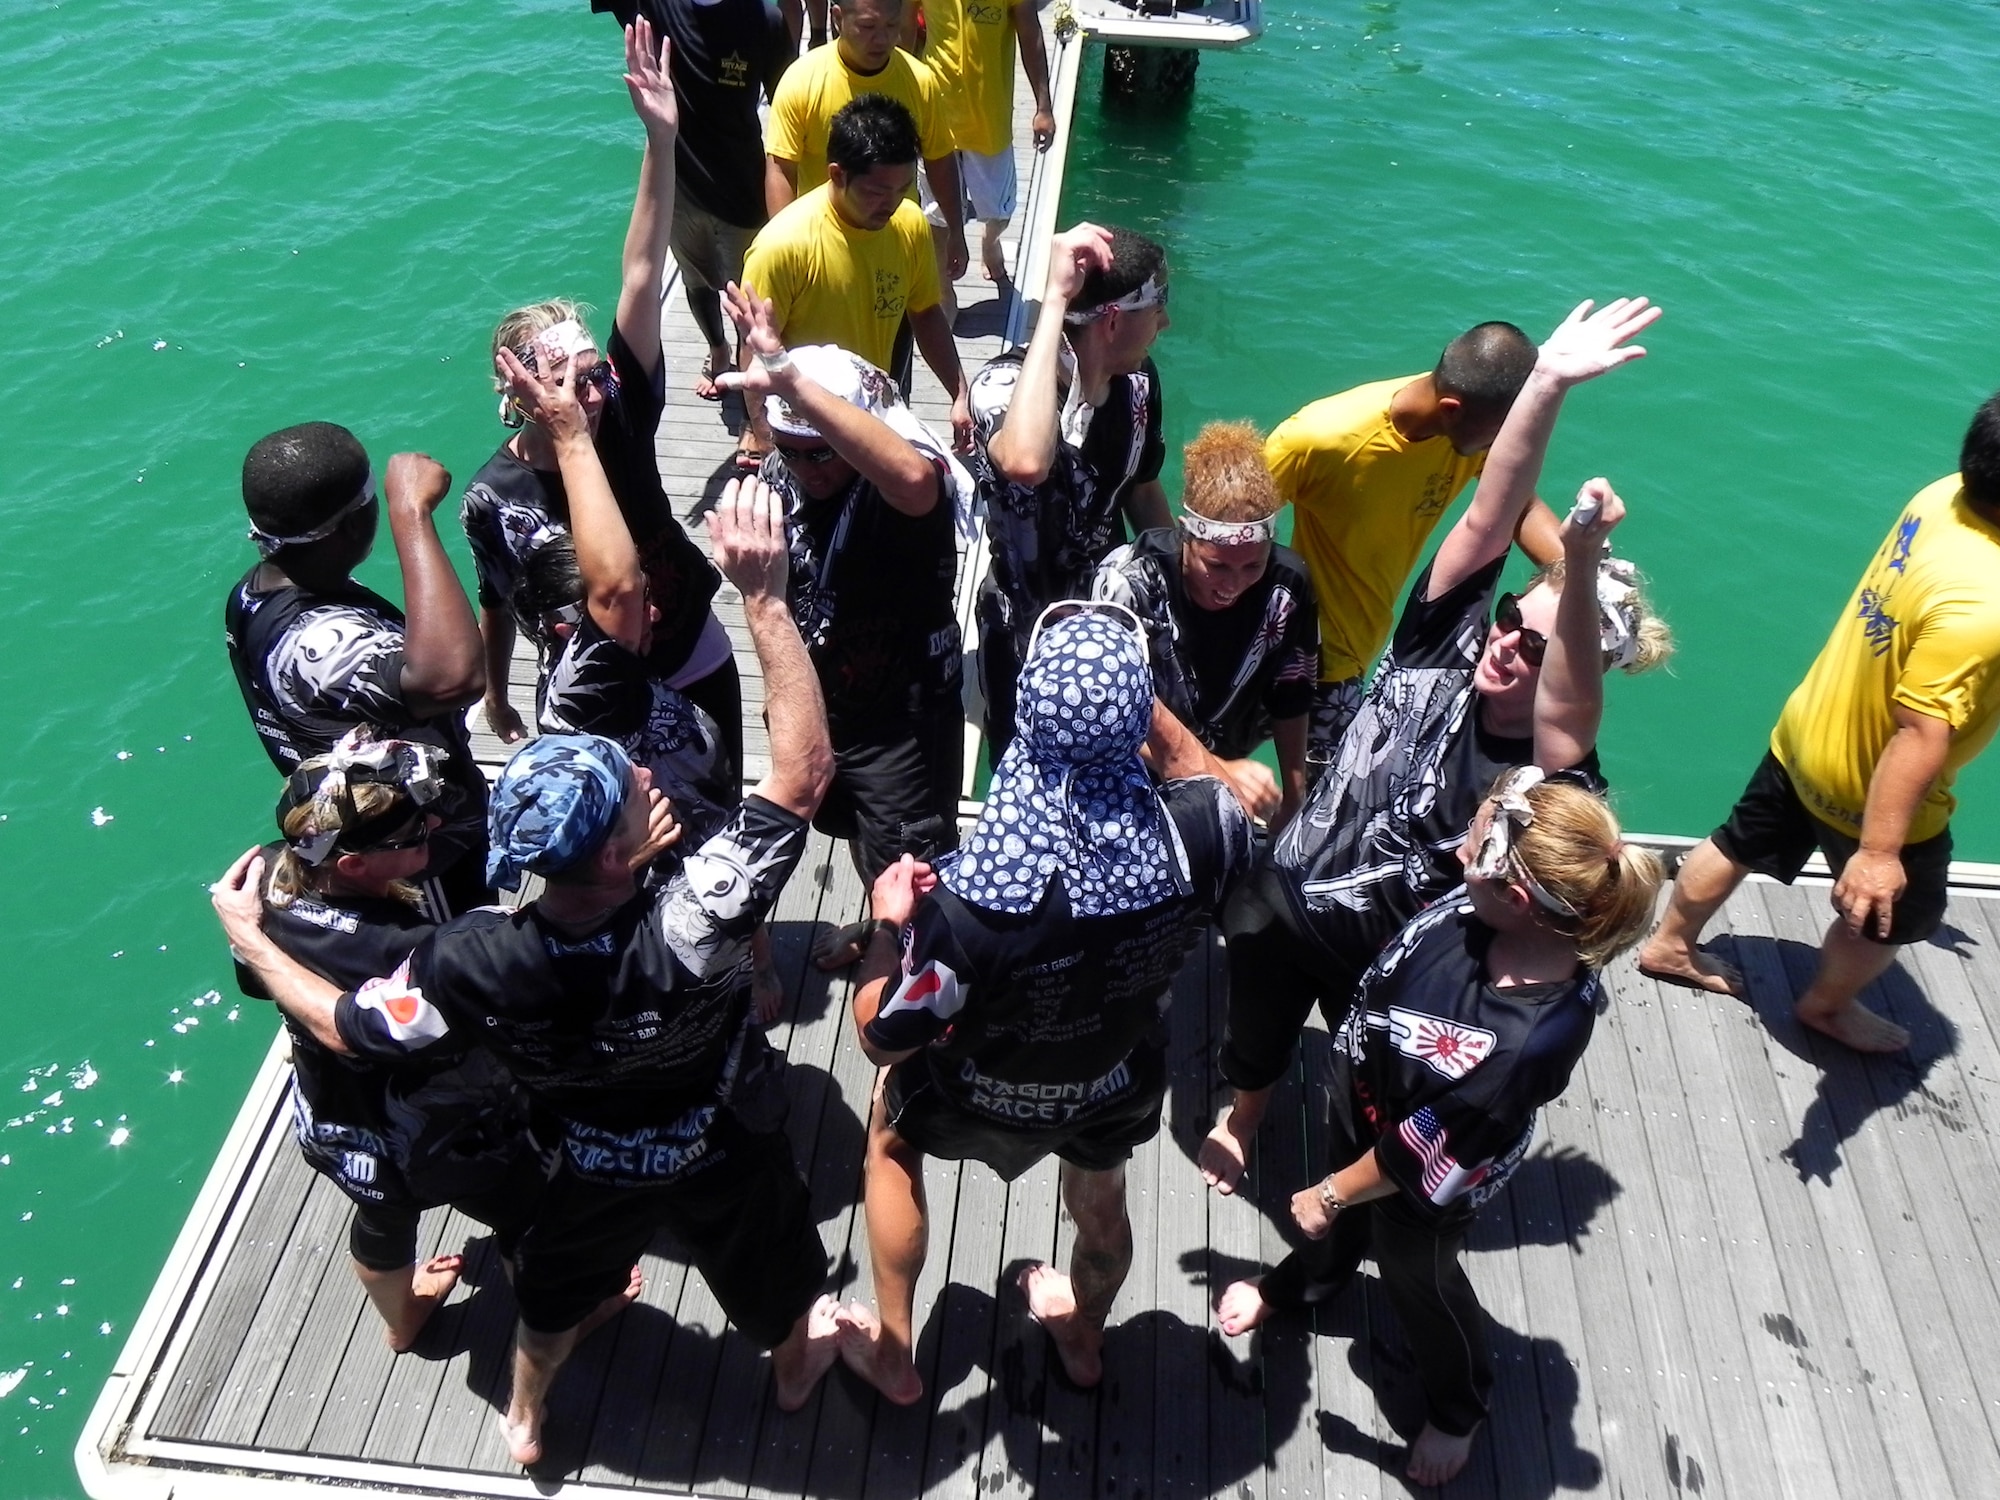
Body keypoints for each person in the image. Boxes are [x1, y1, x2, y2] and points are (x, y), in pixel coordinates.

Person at [212, 480, 844, 1466]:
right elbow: (800, 776)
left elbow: (352, 1025)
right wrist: (763, 597)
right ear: (618, 852)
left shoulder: (471, 956)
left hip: (583, 1161)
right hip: (711, 1137)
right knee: (773, 1276)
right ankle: (797, 1369)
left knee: (552, 1297)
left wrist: (256, 942)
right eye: (627, 787)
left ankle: (524, 1415)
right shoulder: (699, 918)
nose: (642, 774)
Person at [1198, 297, 1673, 1195]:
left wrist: (1580, 563)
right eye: (1509, 619)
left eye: (1536, 647)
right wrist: (1546, 384)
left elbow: (1572, 695)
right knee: (1254, 1032)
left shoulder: (1547, 780)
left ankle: (1340, 1189)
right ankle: (1247, 1112)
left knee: (1360, 1077)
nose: (1506, 642)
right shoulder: (1439, 646)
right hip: (1287, 890)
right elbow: (1490, 515)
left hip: (1384, 952)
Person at [836, 607, 1254, 1401]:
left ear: (1026, 712)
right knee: (1102, 1199)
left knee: (889, 1143)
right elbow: (1208, 785)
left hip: (979, 1086)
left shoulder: (968, 906)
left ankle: (894, 1355)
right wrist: (1130, 702)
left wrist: (888, 929)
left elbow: (882, 1038)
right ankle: (1085, 1340)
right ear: (1140, 715)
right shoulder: (1206, 834)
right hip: (1111, 1079)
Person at [1214, 772, 1664, 1487]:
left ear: (1517, 900)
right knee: (1336, 1235)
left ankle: (1459, 1406)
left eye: (1474, 853)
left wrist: (1331, 1194)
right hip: (1365, 1101)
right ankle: (1306, 1285)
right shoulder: (1488, 904)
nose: (1459, 857)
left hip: (1423, 1181)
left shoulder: (1522, 1045)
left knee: (1418, 1278)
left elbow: (1417, 1155)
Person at [1638, 394, 2000, 1053]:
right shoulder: (1986, 605)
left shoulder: (1943, 495)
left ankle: (1670, 944)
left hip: (1807, 729)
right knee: (1892, 919)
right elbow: (1919, 731)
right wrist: (1879, 854)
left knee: (1736, 841)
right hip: (1873, 788)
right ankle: (1828, 1008)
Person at [461, 20, 736, 771]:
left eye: (593, 370)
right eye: (567, 380)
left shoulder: (621, 406)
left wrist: (660, 139)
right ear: (517, 391)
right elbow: (497, 597)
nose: (591, 389)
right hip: (594, 697)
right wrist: (495, 693)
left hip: (692, 649)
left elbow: (642, 271)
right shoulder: (494, 496)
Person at [233, 728, 545, 1352]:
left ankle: (403, 1321)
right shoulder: (411, 948)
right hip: (447, 1135)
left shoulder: (260, 881)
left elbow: (258, 983)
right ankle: (561, 1317)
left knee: (381, 1216)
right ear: (353, 864)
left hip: (338, 1122)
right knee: (530, 1216)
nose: (433, 825)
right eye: (413, 835)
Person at [716, 283, 971, 969]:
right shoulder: (783, 473)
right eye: (792, 450)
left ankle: (910, 1005)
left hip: (901, 728)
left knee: (914, 867)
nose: (807, 468)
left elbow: (914, 480)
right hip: (826, 708)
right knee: (862, 840)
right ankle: (876, 927)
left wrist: (793, 383)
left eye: (823, 450)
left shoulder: (896, 491)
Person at [1266, 324, 1565, 766]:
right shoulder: (1318, 440)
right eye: (1503, 430)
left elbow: (1517, 504)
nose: (1506, 442)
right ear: (1451, 410)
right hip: (1307, 656)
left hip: (1363, 647)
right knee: (1317, 787)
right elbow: (1228, 533)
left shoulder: (1473, 424)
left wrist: (1588, 578)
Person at [225, 426, 492, 919]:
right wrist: (411, 513)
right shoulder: (316, 644)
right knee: (461, 951)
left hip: (377, 832)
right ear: (352, 524)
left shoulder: (255, 592)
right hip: (412, 857)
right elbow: (453, 677)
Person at [969, 221, 1172, 754]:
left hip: (1114, 627)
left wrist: (1182, 584)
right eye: (1158, 309)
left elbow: (1142, 489)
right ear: (1113, 321)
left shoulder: (1139, 382)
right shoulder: (1000, 387)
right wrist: (1055, 300)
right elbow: (1026, 460)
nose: (1165, 323)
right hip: (1026, 635)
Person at [1092, 419, 1318, 830]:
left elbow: (1292, 692)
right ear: (1185, 537)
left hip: (1226, 754)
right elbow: (1105, 711)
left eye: (1253, 566)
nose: (1233, 585)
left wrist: (1294, 794)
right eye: (1217, 566)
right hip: (1135, 763)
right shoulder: (1126, 583)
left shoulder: (1288, 587)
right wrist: (1216, 771)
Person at [740, 94, 972, 460]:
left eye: (902, 189)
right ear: (837, 174)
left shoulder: (909, 224)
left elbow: (926, 313)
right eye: (877, 192)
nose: (891, 204)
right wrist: (770, 445)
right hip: (808, 436)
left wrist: (959, 393)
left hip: (878, 419)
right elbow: (754, 352)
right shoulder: (780, 247)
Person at [592, 0, 795, 399]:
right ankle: (717, 350)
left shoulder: (765, 20)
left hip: (744, 194)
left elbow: (790, 108)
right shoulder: (653, 6)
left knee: (749, 303)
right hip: (680, 192)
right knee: (695, 281)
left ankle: (753, 408)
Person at [763, 0, 967, 292]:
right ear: (838, 18)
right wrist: (785, 248)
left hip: (893, 248)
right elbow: (781, 169)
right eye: (868, 26)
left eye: (892, 25)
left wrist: (956, 231)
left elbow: (940, 161)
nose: (882, 39)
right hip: (822, 250)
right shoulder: (801, 81)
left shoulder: (920, 82)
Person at [915, 0, 1055, 319]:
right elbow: (905, 29)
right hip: (935, 114)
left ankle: (990, 242)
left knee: (1000, 211)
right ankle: (944, 291)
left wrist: (1043, 107)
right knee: (935, 215)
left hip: (989, 119)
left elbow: (1030, 33)